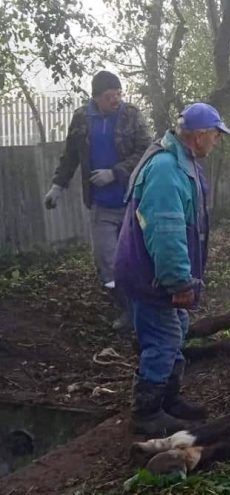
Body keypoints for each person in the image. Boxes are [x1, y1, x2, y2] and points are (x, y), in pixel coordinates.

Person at [115, 103, 230, 436]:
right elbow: (166, 232)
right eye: (215, 134)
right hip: (151, 275)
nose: (216, 141)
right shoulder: (167, 170)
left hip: (149, 272)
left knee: (176, 328)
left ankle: (168, 399)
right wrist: (178, 280)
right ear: (198, 136)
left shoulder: (182, 162)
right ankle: (147, 413)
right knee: (164, 336)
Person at [43, 70, 150, 331]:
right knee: (108, 264)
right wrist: (58, 186)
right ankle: (128, 309)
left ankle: (144, 314)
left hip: (132, 202)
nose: (116, 100)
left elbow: (146, 151)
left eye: (118, 94)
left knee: (136, 259)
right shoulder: (82, 118)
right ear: (96, 98)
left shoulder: (131, 115)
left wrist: (115, 172)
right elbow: (70, 155)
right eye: (109, 96)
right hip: (101, 205)